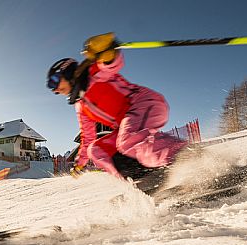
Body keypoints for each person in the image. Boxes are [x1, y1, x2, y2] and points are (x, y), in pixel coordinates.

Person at [46, 33, 186, 179]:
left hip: (144, 103)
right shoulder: (80, 106)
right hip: (128, 123)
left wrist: (108, 53)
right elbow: (87, 137)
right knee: (96, 150)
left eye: (54, 81)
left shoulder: (93, 74)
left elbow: (112, 65)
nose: (54, 89)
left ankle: (184, 156)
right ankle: (141, 180)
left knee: (127, 141)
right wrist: (80, 163)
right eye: (51, 87)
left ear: (67, 72)